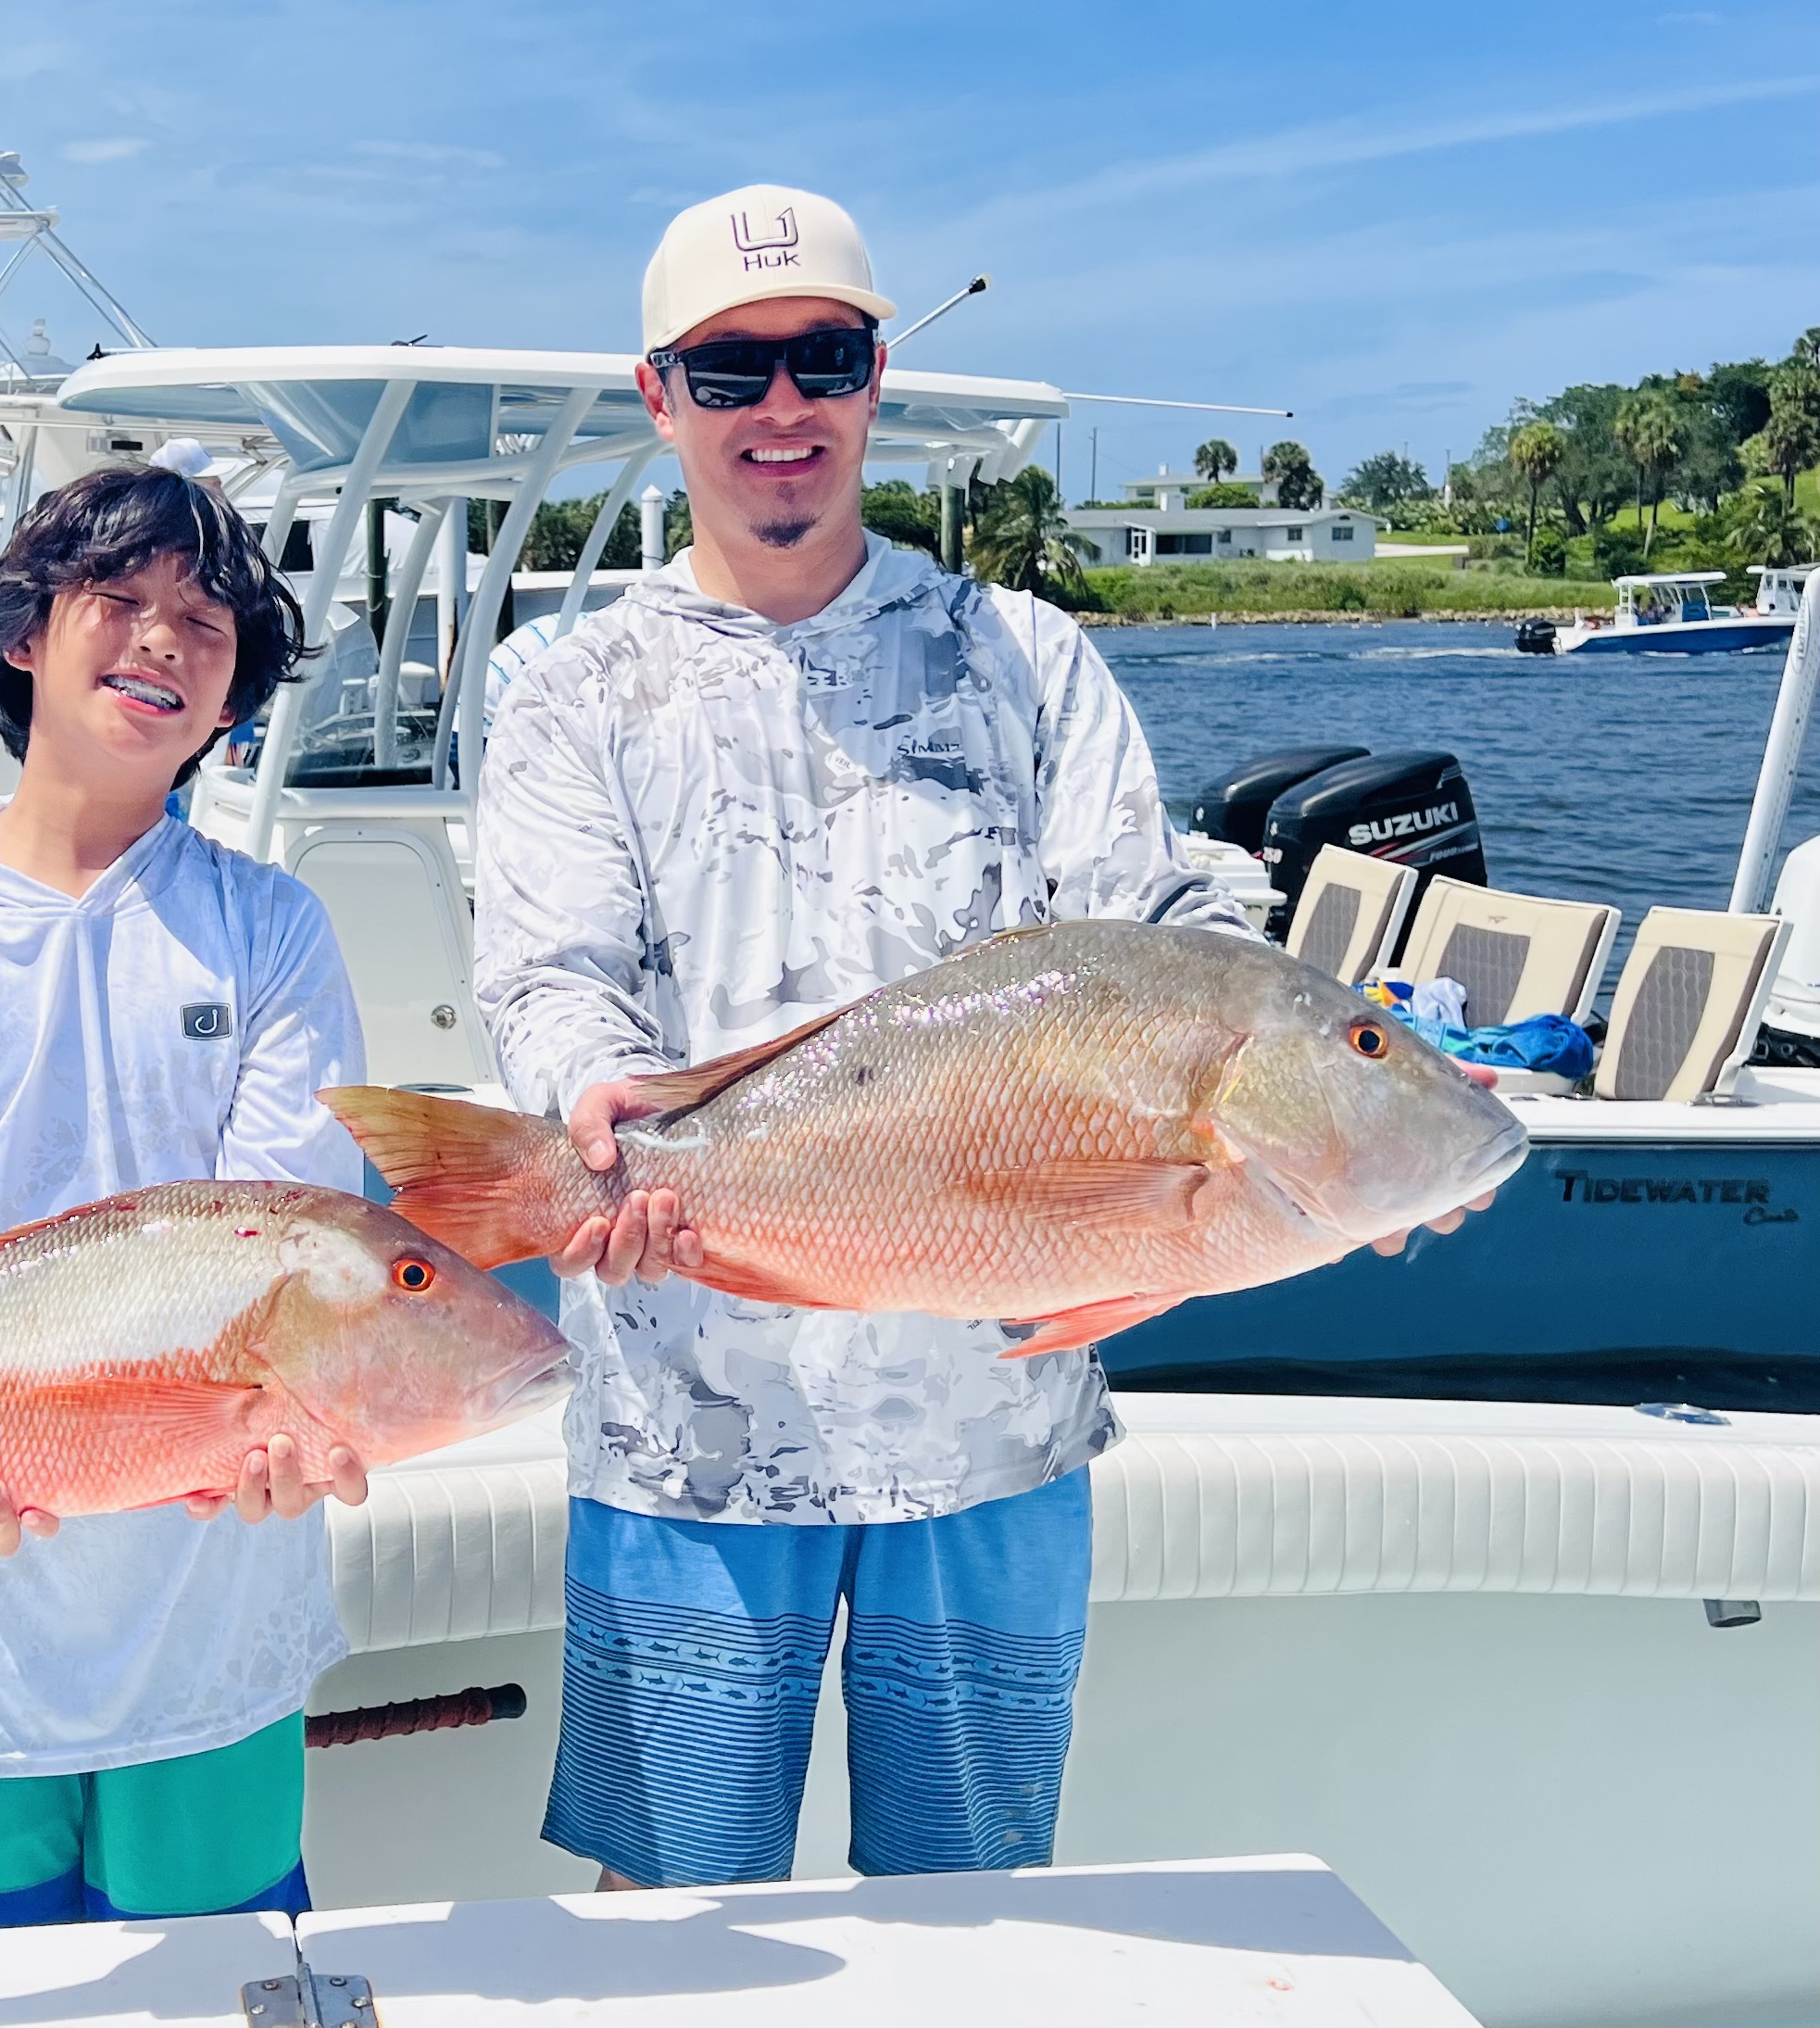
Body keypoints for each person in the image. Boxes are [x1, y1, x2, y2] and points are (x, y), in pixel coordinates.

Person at [473, 184, 1489, 1893]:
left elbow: (1166, 938)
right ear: (660, 399)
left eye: (825, 358)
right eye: (730, 373)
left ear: (876, 381)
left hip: (991, 1430)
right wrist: (596, 1104)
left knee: (969, 1914)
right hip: (688, 1417)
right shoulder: (571, 686)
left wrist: (1377, 1128)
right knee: (678, 1931)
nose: (782, 407)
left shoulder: (1023, 654)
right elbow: (550, 973)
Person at [0, 458, 370, 1936]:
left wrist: (304, 1415)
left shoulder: (272, 929)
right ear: (21, 636)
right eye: (118, 600)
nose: (163, 639)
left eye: (207, 621)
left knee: (211, 1986)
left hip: (215, 1627)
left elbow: (289, 1256)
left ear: (236, 699)